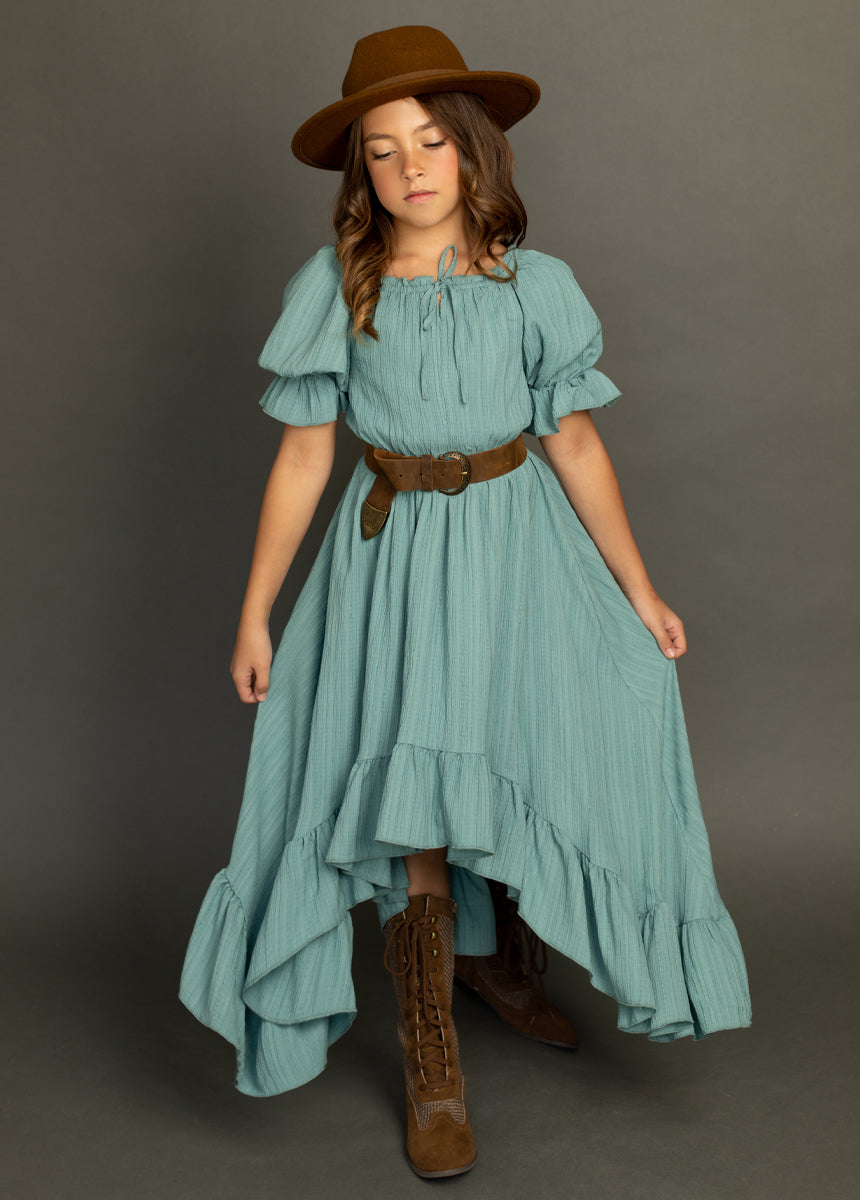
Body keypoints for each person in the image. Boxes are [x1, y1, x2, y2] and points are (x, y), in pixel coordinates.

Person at [179, 25, 752, 1180]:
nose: (410, 167)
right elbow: (303, 459)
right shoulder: (333, 287)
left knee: (517, 742)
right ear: (361, 171)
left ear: (472, 149)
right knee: (413, 784)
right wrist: (254, 613)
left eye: (430, 141)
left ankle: (496, 963)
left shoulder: (536, 286)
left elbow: (572, 441)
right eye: (382, 150)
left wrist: (638, 589)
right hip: (389, 559)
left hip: (518, 545)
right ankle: (429, 1052)